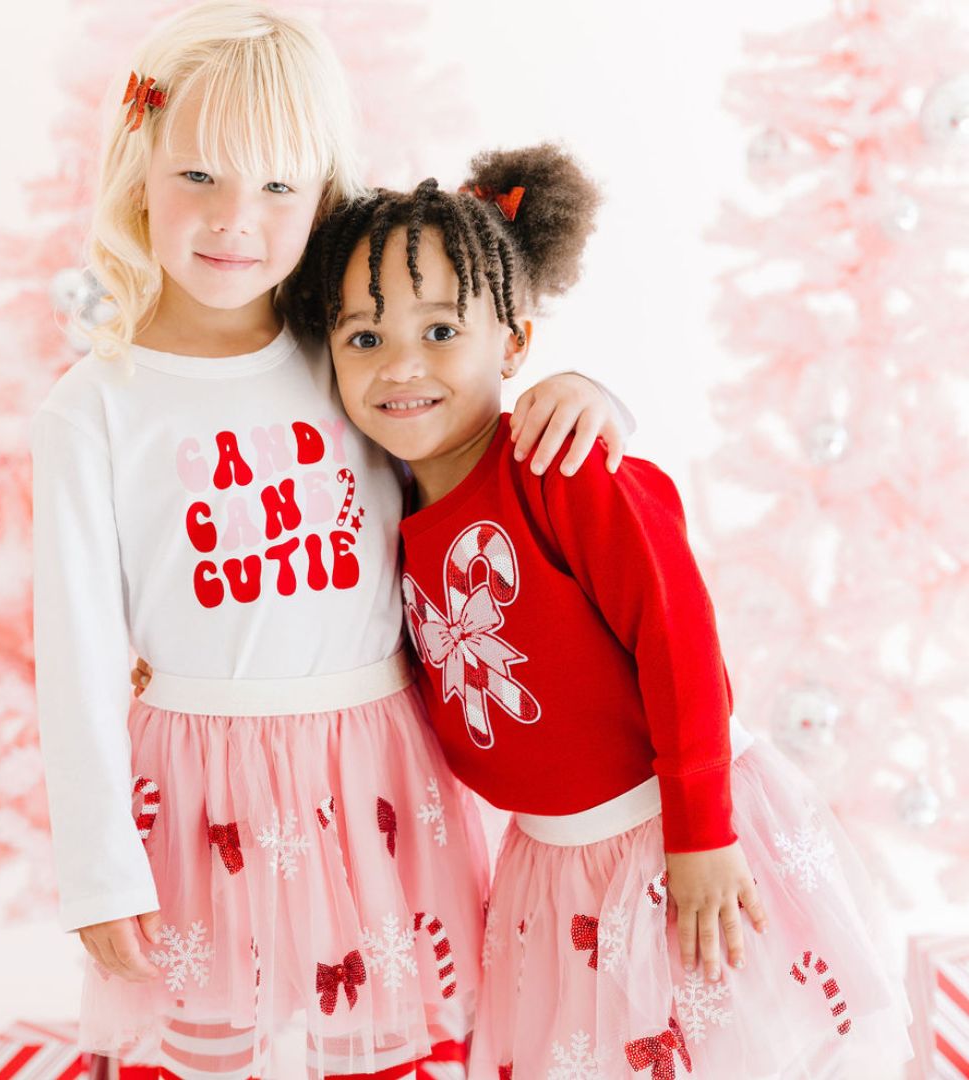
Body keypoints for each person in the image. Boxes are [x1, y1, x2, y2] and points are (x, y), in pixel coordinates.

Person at [31, 5, 631, 1078]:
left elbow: (473, 411)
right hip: (200, 782)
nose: (236, 220)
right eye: (200, 177)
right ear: (138, 173)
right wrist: (97, 870)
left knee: (392, 1037)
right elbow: (72, 656)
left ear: (321, 195)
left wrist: (585, 391)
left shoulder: (346, 352)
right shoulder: (98, 405)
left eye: (277, 186)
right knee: (211, 1041)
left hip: (377, 770)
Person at [281, 143, 915, 1078]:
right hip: (551, 867)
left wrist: (701, 833)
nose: (401, 365)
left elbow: (680, 633)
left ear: (516, 343)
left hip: (674, 834)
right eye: (365, 338)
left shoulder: (557, 465)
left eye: (442, 332)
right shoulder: (382, 505)